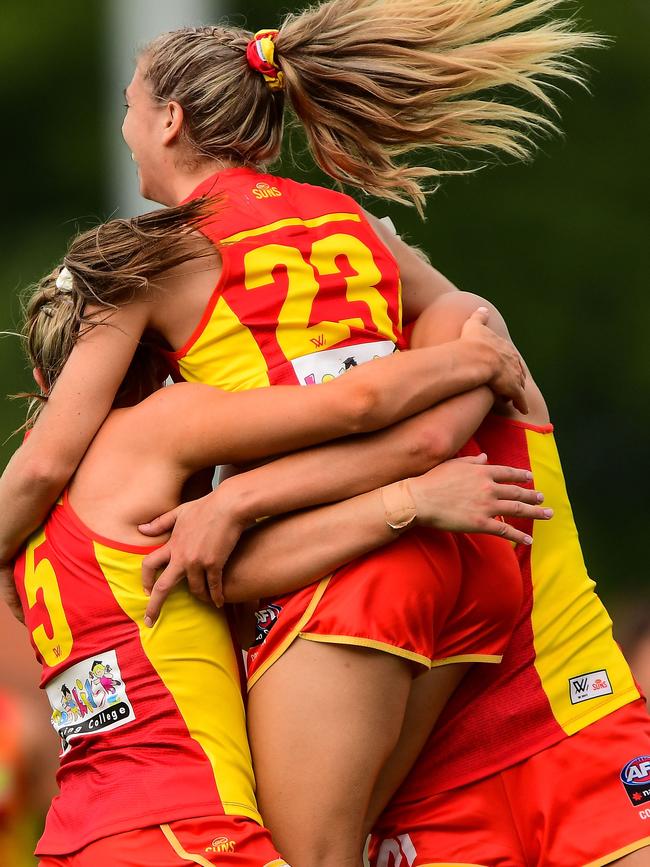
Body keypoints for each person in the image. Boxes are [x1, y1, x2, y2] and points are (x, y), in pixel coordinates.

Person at [0, 0, 595, 862]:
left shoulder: (149, 254)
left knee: (306, 852)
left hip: (337, 569)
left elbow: (48, 458)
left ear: (168, 120)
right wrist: (444, 423)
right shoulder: (351, 220)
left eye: (128, 104)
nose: (123, 126)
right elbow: (478, 329)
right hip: (470, 557)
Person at [13, 261, 547, 866]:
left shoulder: (27, 525)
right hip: (188, 832)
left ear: (38, 378)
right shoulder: (149, 431)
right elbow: (356, 403)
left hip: (78, 835)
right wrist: (469, 366)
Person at [355, 291, 650, 867]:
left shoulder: (471, 339)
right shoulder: (273, 443)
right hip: (426, 795)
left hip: (572, 722)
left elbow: (429, 431)